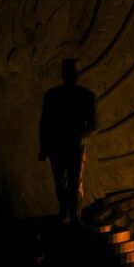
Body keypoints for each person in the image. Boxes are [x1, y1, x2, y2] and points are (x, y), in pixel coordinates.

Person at [39, 59, 98, 224]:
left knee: (75, 181)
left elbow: (93, 125)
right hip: (59, 145)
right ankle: (65, 212)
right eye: (70, 72)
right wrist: (43, 146)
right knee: (61, 182)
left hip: (74, 146)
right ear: (63, 75)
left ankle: (74, 214)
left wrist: (78, 135)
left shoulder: (86, 96)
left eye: (74, 72)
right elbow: (45, 122)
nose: (72, 76)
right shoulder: (53, 95)